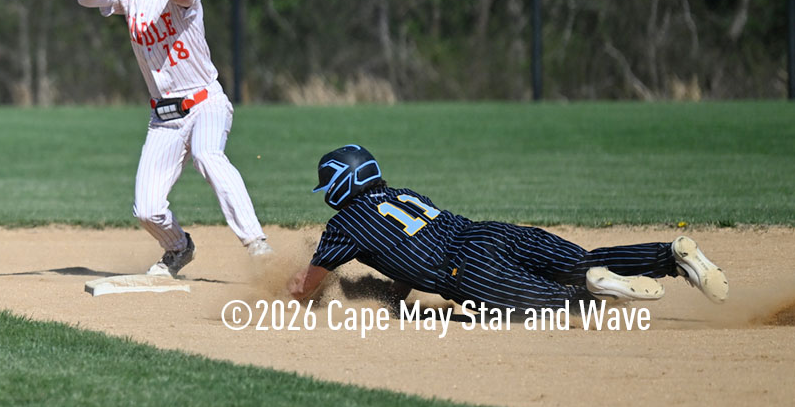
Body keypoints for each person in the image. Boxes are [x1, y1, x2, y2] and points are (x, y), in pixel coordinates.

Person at [287, 144, 728, 310]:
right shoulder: (404, 195)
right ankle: (671, 255)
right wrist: (393, 294)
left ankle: (597, 290)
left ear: (340, 186)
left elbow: (307, 287)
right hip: (490, 233)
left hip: (468, 270)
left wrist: (284, 290)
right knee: (584, 260)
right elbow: (406, 251)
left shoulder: (345, 224)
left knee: (561, 305)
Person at [76, 0, 271, 276]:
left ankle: (257, 244)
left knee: (207, 155)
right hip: (163, 119)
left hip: (205, 102)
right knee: (146, 210)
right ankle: (178, 248)